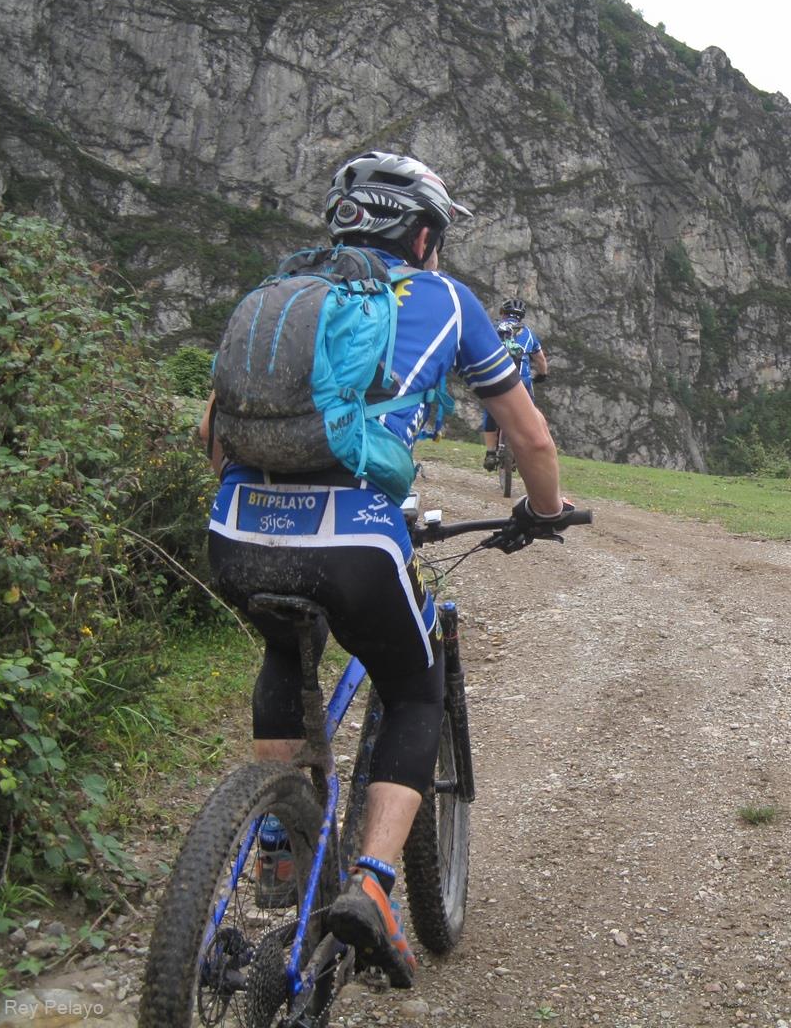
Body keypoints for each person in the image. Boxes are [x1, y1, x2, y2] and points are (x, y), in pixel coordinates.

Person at [196, 151, 577, 987]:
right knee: (413, 686)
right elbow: (531, 437)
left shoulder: (285, 290)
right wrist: (544, 513)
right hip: (358, 538)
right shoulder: (446, 300)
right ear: (425, 235)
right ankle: (371, 884)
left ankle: (278, 846)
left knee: (283, 650)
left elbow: (212, 434)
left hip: (235, 529)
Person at [483, 297, 549, 471]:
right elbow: (541, 360)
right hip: (522, 381)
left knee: (490, 411)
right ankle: (520, 453)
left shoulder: (492, 329)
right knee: (528, 415)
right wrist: (542, 375)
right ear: (521, 316)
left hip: (497, 379)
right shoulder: (528, 334)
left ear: (503, 314)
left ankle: (490, 453)